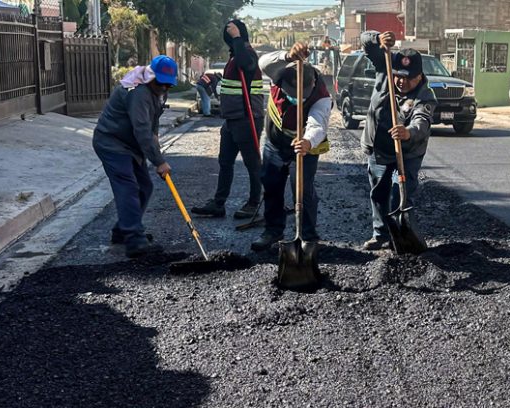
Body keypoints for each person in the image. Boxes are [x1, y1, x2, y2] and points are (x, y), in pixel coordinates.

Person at [249, 42, 331, 252]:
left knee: (302, 189)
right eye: (292, 92)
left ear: (311, 84)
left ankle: (307, 236)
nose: (296, 98)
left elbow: (318, 124)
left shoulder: (321, 96)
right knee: (272, 184)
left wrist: (307, 141)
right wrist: (287, 55)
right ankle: (273, 230)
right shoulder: (279, 72)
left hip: (306, 146)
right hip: (276, 142)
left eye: (300, 94)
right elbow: (263, 61)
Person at [359, 30, 437, 251]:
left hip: (407, 152)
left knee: (400, 192)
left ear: (419, 76)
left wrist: (408, 132)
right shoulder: (384, 68)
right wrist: (377, 39)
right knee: (378, 193)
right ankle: (380, 234)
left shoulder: (425, 96)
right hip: (379, 147)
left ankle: (403, 235)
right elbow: (366, 43)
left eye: (408, 77)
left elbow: (422, 122)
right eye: (398, 75)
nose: (401, 81)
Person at [92, 55, 176, 258]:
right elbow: (141, 130)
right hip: (112, 143)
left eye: (168, 86)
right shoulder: (138, 92)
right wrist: (159, 161)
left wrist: (155, 138)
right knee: (128, 186)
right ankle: (134, 240)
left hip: (131, 145)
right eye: (161, 84)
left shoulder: (156, 91)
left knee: (145, 186)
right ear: (151, 76)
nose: (164, 89)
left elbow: (152, 121)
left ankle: (123, 230)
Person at [190, 20, 264, 220]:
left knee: (252, 163)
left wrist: (238, 37)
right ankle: (218, 203)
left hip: (247, 118)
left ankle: (255, 203)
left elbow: (246, 64)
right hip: (231, 120)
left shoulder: (247, 53)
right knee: (225, 162)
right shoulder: (234, 56)